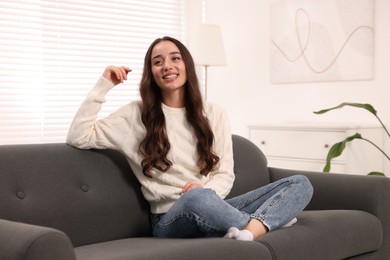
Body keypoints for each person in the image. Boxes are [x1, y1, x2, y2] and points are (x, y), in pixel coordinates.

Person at [67, 36, 313, 241]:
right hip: (169, 220)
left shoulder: (214, 113)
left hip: (212, 206)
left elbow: (224, 173)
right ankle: (265, 224)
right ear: (151, 73)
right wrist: (104, 85)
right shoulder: (135, 115)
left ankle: (247, 232)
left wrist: (206, 193)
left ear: (187, 65)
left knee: (300, 183)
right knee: (198, 197)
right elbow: (79, 136)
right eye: (157, 62)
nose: (167, 66)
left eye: (175, 58)